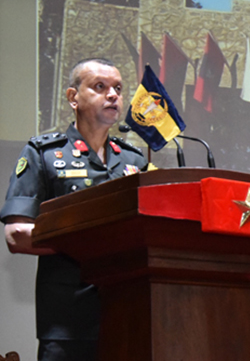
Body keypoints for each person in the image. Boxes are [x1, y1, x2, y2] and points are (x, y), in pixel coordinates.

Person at [1, 58, 148, 361]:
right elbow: (16, 234)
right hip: (68, 320)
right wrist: (87, 241)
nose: (113, 95)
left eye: (118, 89)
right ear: (73, 97)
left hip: (129, 314)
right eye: (100, 87)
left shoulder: (133, 161)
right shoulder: (44, 154)